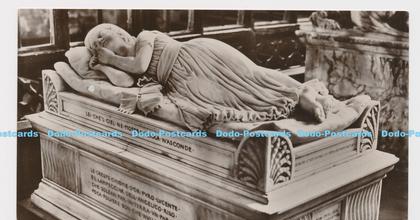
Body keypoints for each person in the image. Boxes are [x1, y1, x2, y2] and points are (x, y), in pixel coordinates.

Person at [84, 23, 338, 131]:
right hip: (184, 82)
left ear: (122, 32)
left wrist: (110, 59)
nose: (103, 45)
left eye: (105, 36)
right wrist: (104, 68)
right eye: (99, 45)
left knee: (252, 76)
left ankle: (302, 90)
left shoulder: (144, 36)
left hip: (199, 57)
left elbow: (140, 65)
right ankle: (297, 101)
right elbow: (124, 81)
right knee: (238, 97)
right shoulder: (121, 66)